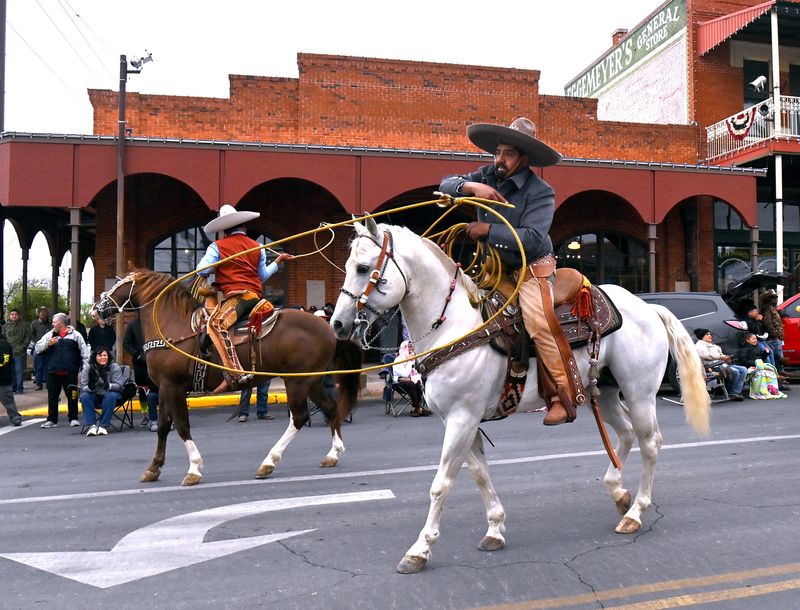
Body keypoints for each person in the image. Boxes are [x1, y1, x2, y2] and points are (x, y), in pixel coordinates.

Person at [439, 116, 581, 425]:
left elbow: (532, 239)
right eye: (498, 152)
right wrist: (471, 186)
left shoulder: (541, 191)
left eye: (508, 154)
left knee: (538, 322)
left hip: (531, 268)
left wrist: (487, 229)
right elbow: (445, 185)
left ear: (524, 159)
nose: (499, 159)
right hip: (494, 269)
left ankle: (562, 396)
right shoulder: (487, 175)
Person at [196, 204, 294, 392]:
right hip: (254, 297)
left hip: (237, 298)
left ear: (224, 230)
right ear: (244, 227)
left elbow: (202, 270)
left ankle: (235, 373)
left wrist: (217, 263)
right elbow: (263, 276)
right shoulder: (258, 246)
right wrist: (279, 260)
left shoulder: (217, 246)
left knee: (215, 325)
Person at [35, 312, 90, 428]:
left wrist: (85, 370)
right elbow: (37, 348)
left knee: (73, 396)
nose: (52, 323)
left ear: (61, 323)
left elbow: (85, 353)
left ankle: (73, 418)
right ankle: (52, 420)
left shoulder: (76, 335)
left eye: (54, 322)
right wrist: (49, 343)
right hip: (53, 371)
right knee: (52, 397)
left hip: (70, 372)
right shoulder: (49, 335)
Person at [123, 317, 159, 430]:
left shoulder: (156, 322)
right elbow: (126, 343)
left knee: (159, 390)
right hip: (140, 365)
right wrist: (137, 355)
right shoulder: (132, 325)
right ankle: (145, 415)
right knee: (143, 391)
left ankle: (162, 416)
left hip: (156, 363)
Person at [79, 348, 125, 436]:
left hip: (110, 393)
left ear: (108, 356)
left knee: (110, 396)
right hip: (94, 394)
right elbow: (83, 386)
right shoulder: (88, 367)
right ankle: (92, 426)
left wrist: (109, 386)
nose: (103, 357)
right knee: (85, 396)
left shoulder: (114, 366)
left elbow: (119, 385)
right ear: (95, 357)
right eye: (100, 356)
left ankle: (103, 425)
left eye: (105, 355)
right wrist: (90, 388)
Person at [693, 328, 746, 401]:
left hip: (722, 364)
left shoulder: (713, 345)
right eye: (707, 334)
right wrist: (721, 357)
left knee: (743, 370)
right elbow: (705, 355)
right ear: (702, 336)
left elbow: (721, 355)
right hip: (712, 366)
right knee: (735, 372)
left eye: (710, 334)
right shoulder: (699, 345)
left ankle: (736, 392)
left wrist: (727, 358)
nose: (710, 336)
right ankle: (732, 393)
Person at [759, 289, 788, 387]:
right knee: (777, 360)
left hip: (776, 338)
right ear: (768, 299)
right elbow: (767, 324)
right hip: (773, 338)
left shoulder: (771, 308)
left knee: (778, 359)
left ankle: (780, 381)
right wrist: (775, 334)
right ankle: (778, 382)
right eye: (773, 298)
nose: (775, 299)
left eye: (776, 297)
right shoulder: (767, 309)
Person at [393, 340, 429, 417]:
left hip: (412, 381)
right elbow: (405, 374)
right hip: (399, 383)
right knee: (410, 383)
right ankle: (418, 408)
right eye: (409, 347)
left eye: (412, 347)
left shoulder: (415, 359)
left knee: (418, 382)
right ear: (404, 348)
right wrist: (409, 361)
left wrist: (412, 378)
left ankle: (414, 408)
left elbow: (419, 373)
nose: (411, 349)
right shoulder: (398, 360)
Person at [4, 309, 30, 394]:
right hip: (9, 352)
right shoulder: (6, 326)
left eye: (15, 314)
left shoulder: (24, 325)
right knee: (11, 371)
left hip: (19, 352)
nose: (14, 316)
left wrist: (22, 347)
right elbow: (3, 338)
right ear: (9, 316)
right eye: (12, 314)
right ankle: (13, 388)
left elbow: (28, 337)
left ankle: (20, 389)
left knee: (19, 371)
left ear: (18, 316)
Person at [0, 331, 23, 426]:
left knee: (8, 401)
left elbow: (5, 359)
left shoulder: (3, 343)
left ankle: (15, 418)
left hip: (2, 379)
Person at [30, 306, 52, 390]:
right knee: (38, 367)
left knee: (49, 366)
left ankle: (48, 383)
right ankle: (39, 384)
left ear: (47, 313)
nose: (43, 313)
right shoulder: (34, 323)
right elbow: (31, 335)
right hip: (38, 348)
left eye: (45, 312)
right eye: (41, 312)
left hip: (49, 347)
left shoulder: (51, 324)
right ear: (38, 314)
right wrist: (38, 342)